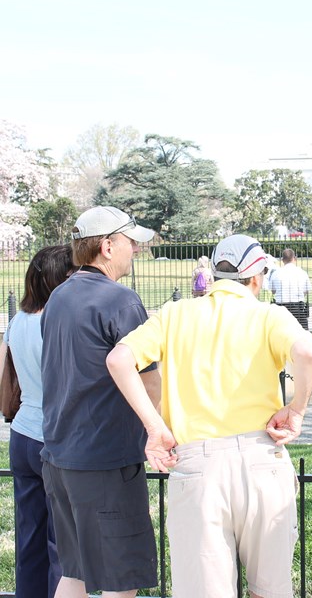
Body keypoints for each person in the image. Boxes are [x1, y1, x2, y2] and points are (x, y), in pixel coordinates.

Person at [105, 233, 312, 598]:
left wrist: (154, 426)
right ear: (257, 276)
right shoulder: (269, 315)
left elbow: (118, 359)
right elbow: (309, 354)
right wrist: (296, 410)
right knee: (271, 590)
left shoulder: (176, 314)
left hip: (198, 466)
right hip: (262, 459)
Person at [39, 206, 160, 598]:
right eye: (129, 242)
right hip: (106, 462)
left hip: (60, 457)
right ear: (107, 246)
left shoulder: (57, 297)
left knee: (74, 573)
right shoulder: (120, 301)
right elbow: (149, 379)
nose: (135, 251)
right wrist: (158, 430)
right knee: (121, 581)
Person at [0, 245, 75, 598]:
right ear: (61, 279)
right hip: (54, 437)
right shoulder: (56, 322)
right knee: (60, 544)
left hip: (22, 435)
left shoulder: (17, 321)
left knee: (29, 538)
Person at [270, 248, 312, 329]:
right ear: (295, 258)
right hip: (298, 308)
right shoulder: (302, 273)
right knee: (302, 334)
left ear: (282, 260)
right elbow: (306, 290)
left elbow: (273, 290)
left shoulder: (276, 273)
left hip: (280, 309)